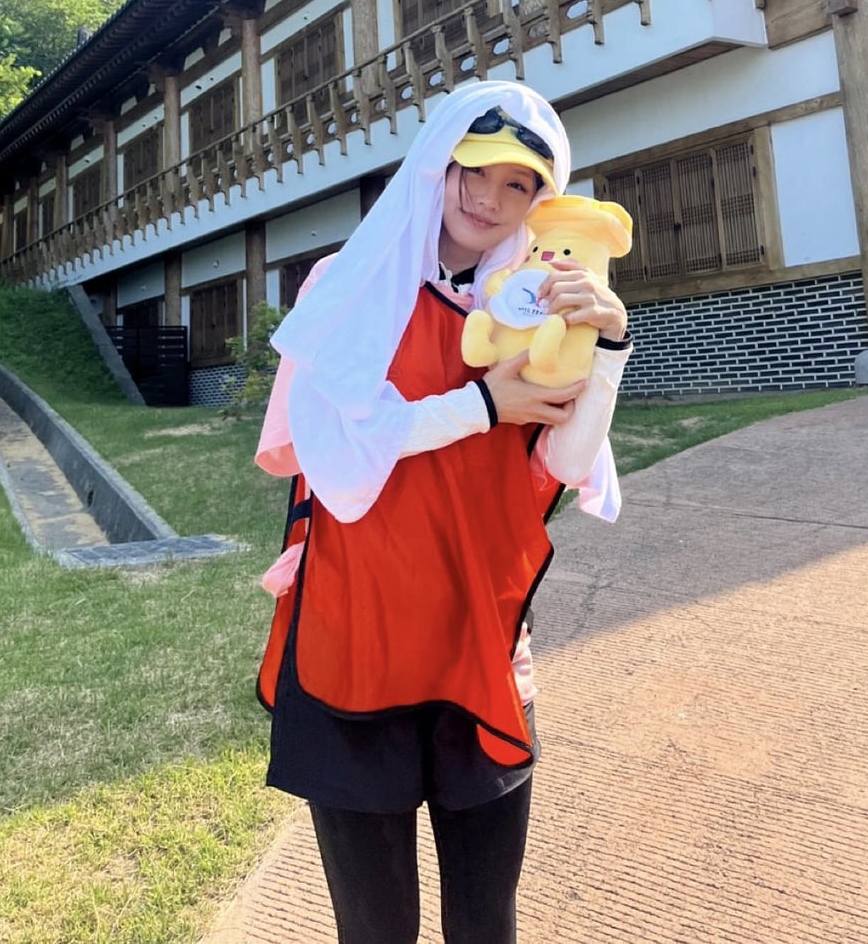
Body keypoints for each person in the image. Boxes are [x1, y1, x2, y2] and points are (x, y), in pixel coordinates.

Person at [254, 80, 631, 944]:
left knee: (485, 924)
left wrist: (609, 348)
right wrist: (484, 404)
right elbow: (339, 452)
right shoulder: (346, 286)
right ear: (439, 161)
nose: (488, 199)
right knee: (375, 930)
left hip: (480, 643)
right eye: (475, 169)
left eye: (518, 185)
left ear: (542, 203)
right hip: (355, 635)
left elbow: (567, 465)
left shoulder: (537, 310)